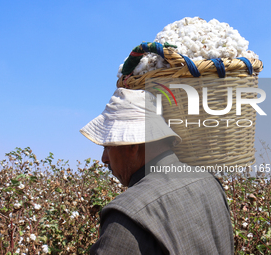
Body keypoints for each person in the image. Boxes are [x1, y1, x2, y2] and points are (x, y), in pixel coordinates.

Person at [80, 88, 234, 255]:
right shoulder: (209, 182)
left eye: (107, 147)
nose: (104, 158)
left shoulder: (126, 216)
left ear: (132, 145)